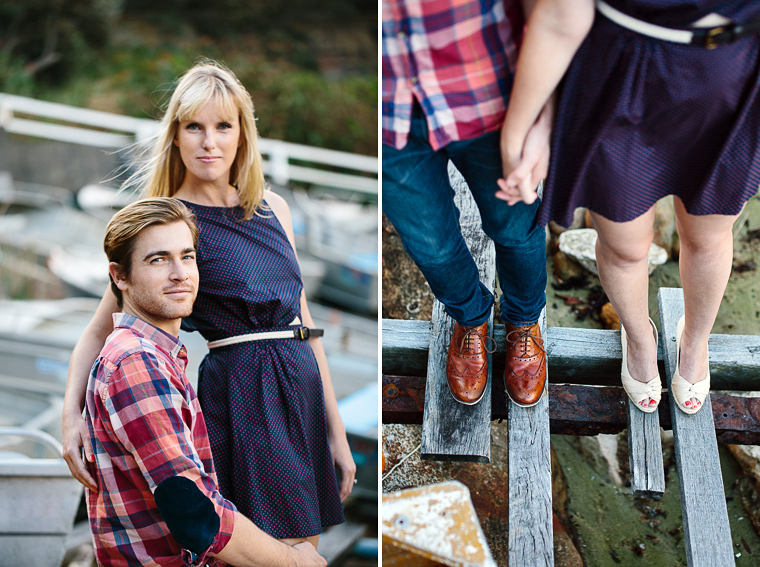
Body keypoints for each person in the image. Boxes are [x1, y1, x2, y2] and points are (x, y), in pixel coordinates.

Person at [63, 60, 354, 547]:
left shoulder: (272, 206)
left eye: (223, 126)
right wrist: (71, 416)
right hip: (243, 391)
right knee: (279, 549)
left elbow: (303, 323)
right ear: (175, 135)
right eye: (193, 127)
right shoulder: (169, 221)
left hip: (300, 385)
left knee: (308, 541)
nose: (209, 142)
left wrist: (337, 433)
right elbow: (100, 328)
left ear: (243, 133)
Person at [499, 0, 760, 413]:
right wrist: (524, 126)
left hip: (734, 70)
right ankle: (639, 339)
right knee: (624, 244)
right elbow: (557, 15)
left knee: (708, 235)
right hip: (620, 72)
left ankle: (694, 343)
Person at [85, 197, 326, 567]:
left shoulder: (153, 355)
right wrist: (294, 561)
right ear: (120, 276)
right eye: (158, 259)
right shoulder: (137, 364)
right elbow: (193, 511)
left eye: (188, 256)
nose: (180, 273)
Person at [382, 0, 551, 408]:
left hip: (489, 93)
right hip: (388, 117)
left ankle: (524, 319)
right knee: (430, 246)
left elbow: (553, 12)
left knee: (515, 228)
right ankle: (471, 319)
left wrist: (546, 113)